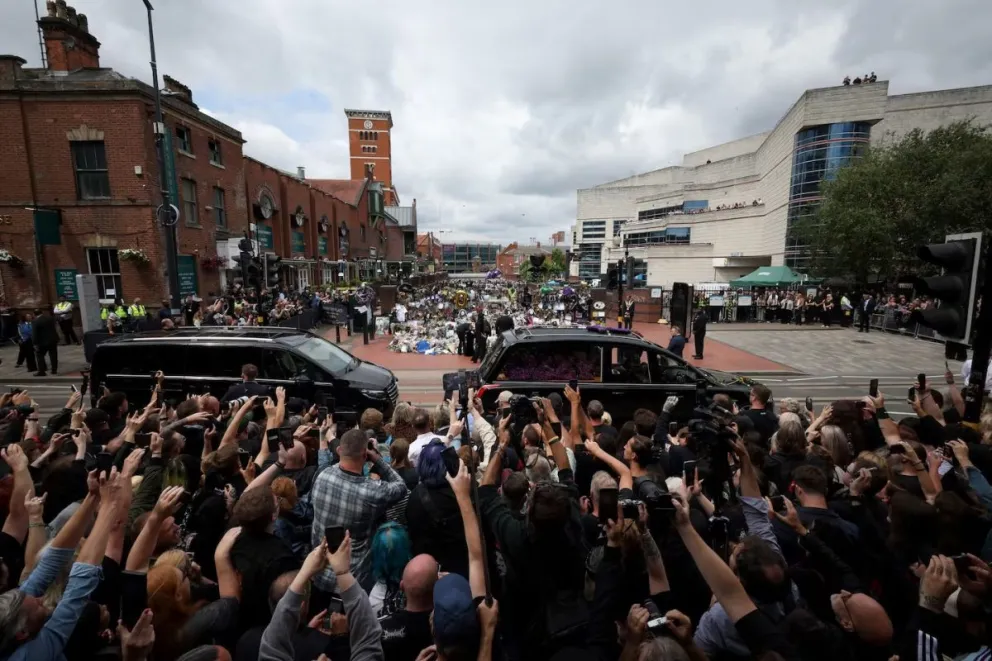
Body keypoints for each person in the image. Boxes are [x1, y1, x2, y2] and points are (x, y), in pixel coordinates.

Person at [310, 428, 409, 596]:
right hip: (351, 582)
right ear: (365, 455)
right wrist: (377, 459)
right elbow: (401, 487)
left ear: (340, 450)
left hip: (317, 573)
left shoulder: (322, 476)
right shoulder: (371, 491)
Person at [30, 307, 59, 377]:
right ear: (42, 312)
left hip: (42, 342)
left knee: (40, 356)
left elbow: (35, 333)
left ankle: (42, 371)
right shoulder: (50, 319)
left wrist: (34, 343)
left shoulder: (35, 321)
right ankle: (54, 370)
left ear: (34, 314)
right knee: (53, 355)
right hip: (52, 340)